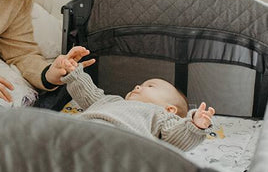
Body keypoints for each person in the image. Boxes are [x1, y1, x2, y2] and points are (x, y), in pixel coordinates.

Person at [60, 56, 215, 151]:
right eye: (141, 84)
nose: (138, 86)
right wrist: (75, 75)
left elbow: (177, 139)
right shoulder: (112, 100)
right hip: (80, 131)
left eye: (150, 86)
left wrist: (194, 125)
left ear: (170, 109)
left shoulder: (161, 116)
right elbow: (89, 94)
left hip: (122, 144)